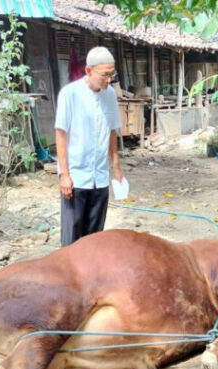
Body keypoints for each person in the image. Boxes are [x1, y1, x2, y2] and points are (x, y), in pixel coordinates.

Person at [55, 46, 124, 246]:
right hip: (76, 178)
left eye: (112, 74)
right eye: (105, 75)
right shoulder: (70, 94)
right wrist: (64, 174)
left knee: (94, 239)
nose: (109, 79)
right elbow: (60, 134)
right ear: (88, 71)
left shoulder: (110, 94)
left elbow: (112, 130)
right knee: (71, 240)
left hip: (99, 178)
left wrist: (116, 167)